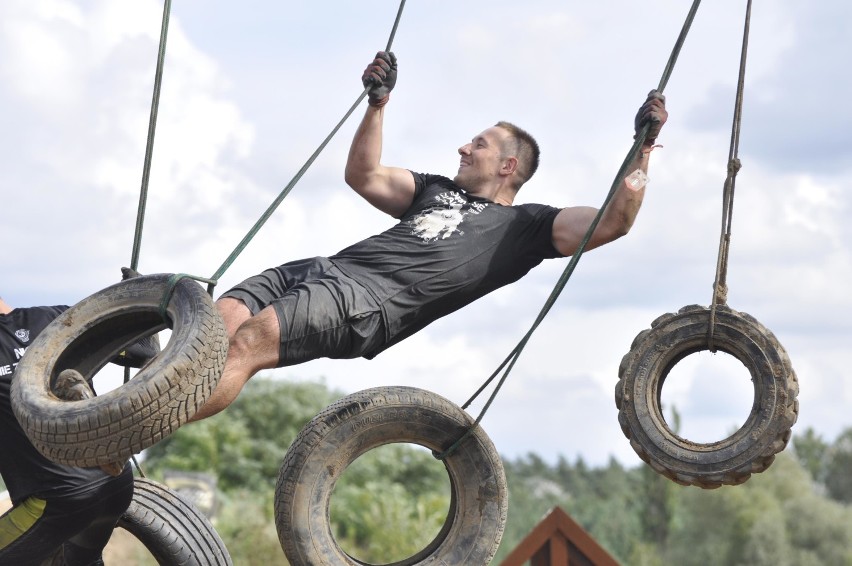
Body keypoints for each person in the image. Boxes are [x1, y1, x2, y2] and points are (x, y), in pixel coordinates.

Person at [190, 51, 668, 422]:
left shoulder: (527, 228)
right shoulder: (433, 189)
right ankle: (132, 406)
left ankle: (127, 436)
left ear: (508, 166)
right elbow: (365, 175)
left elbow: (613, 222)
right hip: (322, 269)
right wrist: (378, 104)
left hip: (364, 304)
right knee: (210, 332)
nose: (463, 146)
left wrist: (642, 149)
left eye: (478, 144)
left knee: (249, 341)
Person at [0, 281, 158, 565]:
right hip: (116, 485)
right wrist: (139, 293)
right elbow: (142, 352)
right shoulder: (56, 320)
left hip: (58, 502)